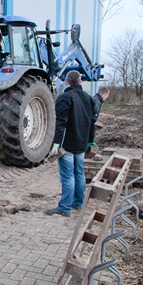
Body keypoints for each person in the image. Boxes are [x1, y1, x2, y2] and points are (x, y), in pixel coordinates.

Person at [46, 70, 97, 217]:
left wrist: (56, 143)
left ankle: (64, 208)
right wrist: (90, 141)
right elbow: (91, 122)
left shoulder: (64, 98)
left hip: (67, 145)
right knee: (79, 174)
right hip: (81, 144)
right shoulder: (88, 98)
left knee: (68, 176)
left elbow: (60, 123)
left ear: (66, 82)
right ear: (80, 82)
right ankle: (78, 203)